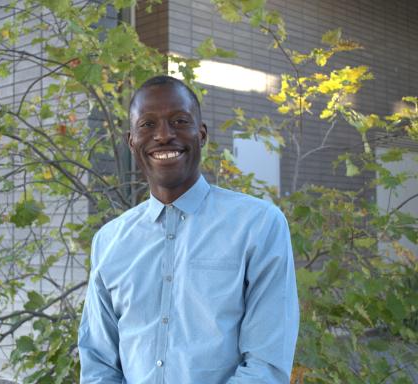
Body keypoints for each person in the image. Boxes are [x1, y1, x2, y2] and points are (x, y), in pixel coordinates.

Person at [78, 75, 299, 384]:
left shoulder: (259, 225)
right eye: (147, 125)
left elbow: (266, 366)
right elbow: (99, 365)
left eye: (180, 121)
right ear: (131, 141)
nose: (164, 135)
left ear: (202, 134)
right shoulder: (109, 241)